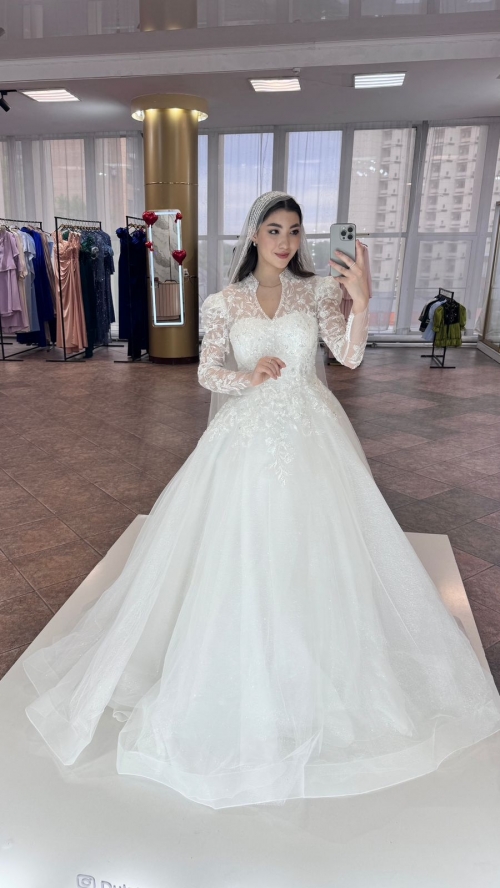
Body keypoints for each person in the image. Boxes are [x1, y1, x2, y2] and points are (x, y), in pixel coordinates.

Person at [23, 191, 500, 810]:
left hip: (312, 435)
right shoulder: (223, 302)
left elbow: (350, 357)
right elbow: (206, 371)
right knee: (241, 547)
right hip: (245, 436)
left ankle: (322, 661)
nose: (285, 242)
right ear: (253, 234)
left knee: (316, 547)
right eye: (274, 230)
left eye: (295, 231)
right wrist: (246, 378)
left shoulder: (317, 293)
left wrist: (361, 302)